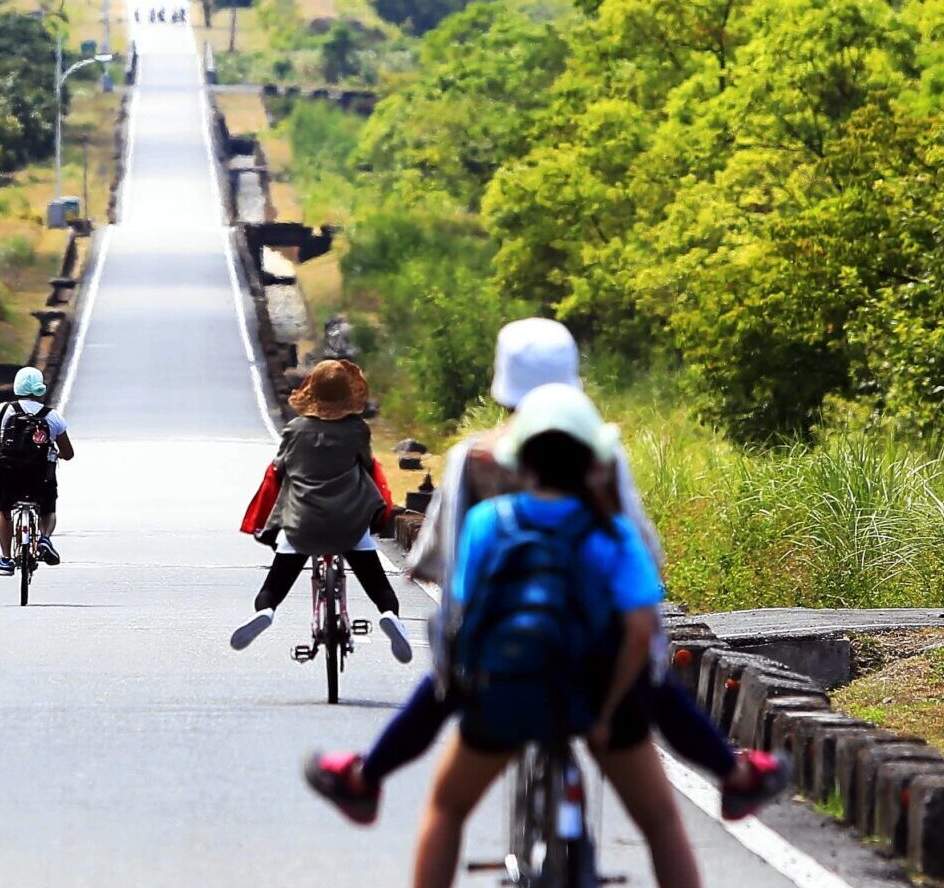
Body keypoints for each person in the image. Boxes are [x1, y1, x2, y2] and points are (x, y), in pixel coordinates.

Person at [305, 318, 785, 825]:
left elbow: (439, 558)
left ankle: (368, 777)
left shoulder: (475, 458)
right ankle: (733, 775)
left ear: (501, 384)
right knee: (659, 796)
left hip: (502, 667)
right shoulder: (603, 456)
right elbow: (644, 546)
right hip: (597, 666)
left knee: (445, 756)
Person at [353, 385, 745, 888]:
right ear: (593, 461)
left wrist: (463, 684)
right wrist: (610, 710)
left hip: (505, 697)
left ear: (520, 462)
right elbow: (640, 631)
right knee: (660, 821)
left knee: (448, 806)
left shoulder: (490, 522)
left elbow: (462, 613)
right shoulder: (612, 533)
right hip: (595, 699)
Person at [230, 360, 412, 664]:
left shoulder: (294, 431)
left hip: (303, 524)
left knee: (275, 585)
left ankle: (266, 611)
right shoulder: (357, 431)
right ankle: (390, 615)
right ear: (347, 396)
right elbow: (370, 471)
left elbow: (277, 474)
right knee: (377, 583)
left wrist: (266, 525)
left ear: (312, 393)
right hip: (349, 525)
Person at [0, 366, 73, 576]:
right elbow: (68, 453)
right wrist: (58, 454)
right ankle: (44, 539)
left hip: (9, 474)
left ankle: (6, 558)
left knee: (3, 510)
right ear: (40, 388)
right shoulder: (52, 416)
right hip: (41, 476)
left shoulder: (3, 410)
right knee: (48, 509)